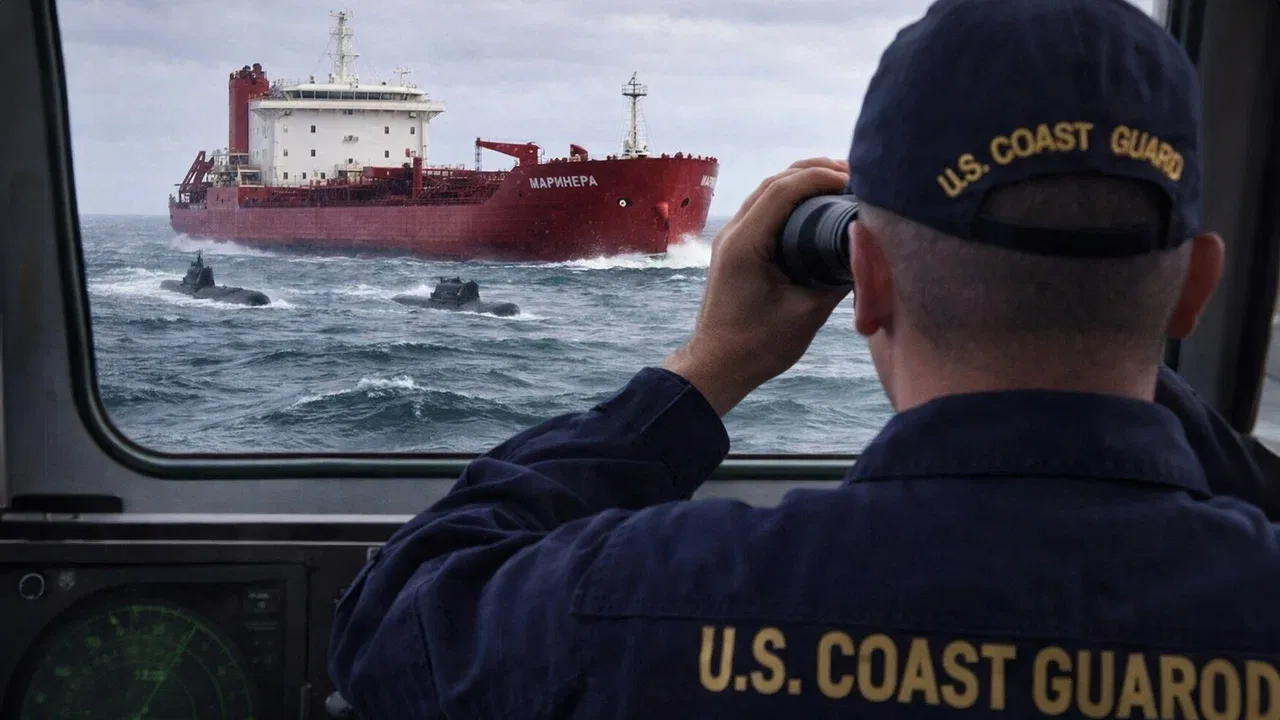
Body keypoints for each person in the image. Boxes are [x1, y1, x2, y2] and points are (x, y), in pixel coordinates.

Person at [329, 0, 1280, 717]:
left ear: (864, 278)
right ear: (1194, 288)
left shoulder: (667, 600)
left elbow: (395, 624)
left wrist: (707, 364)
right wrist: (1101, 337)